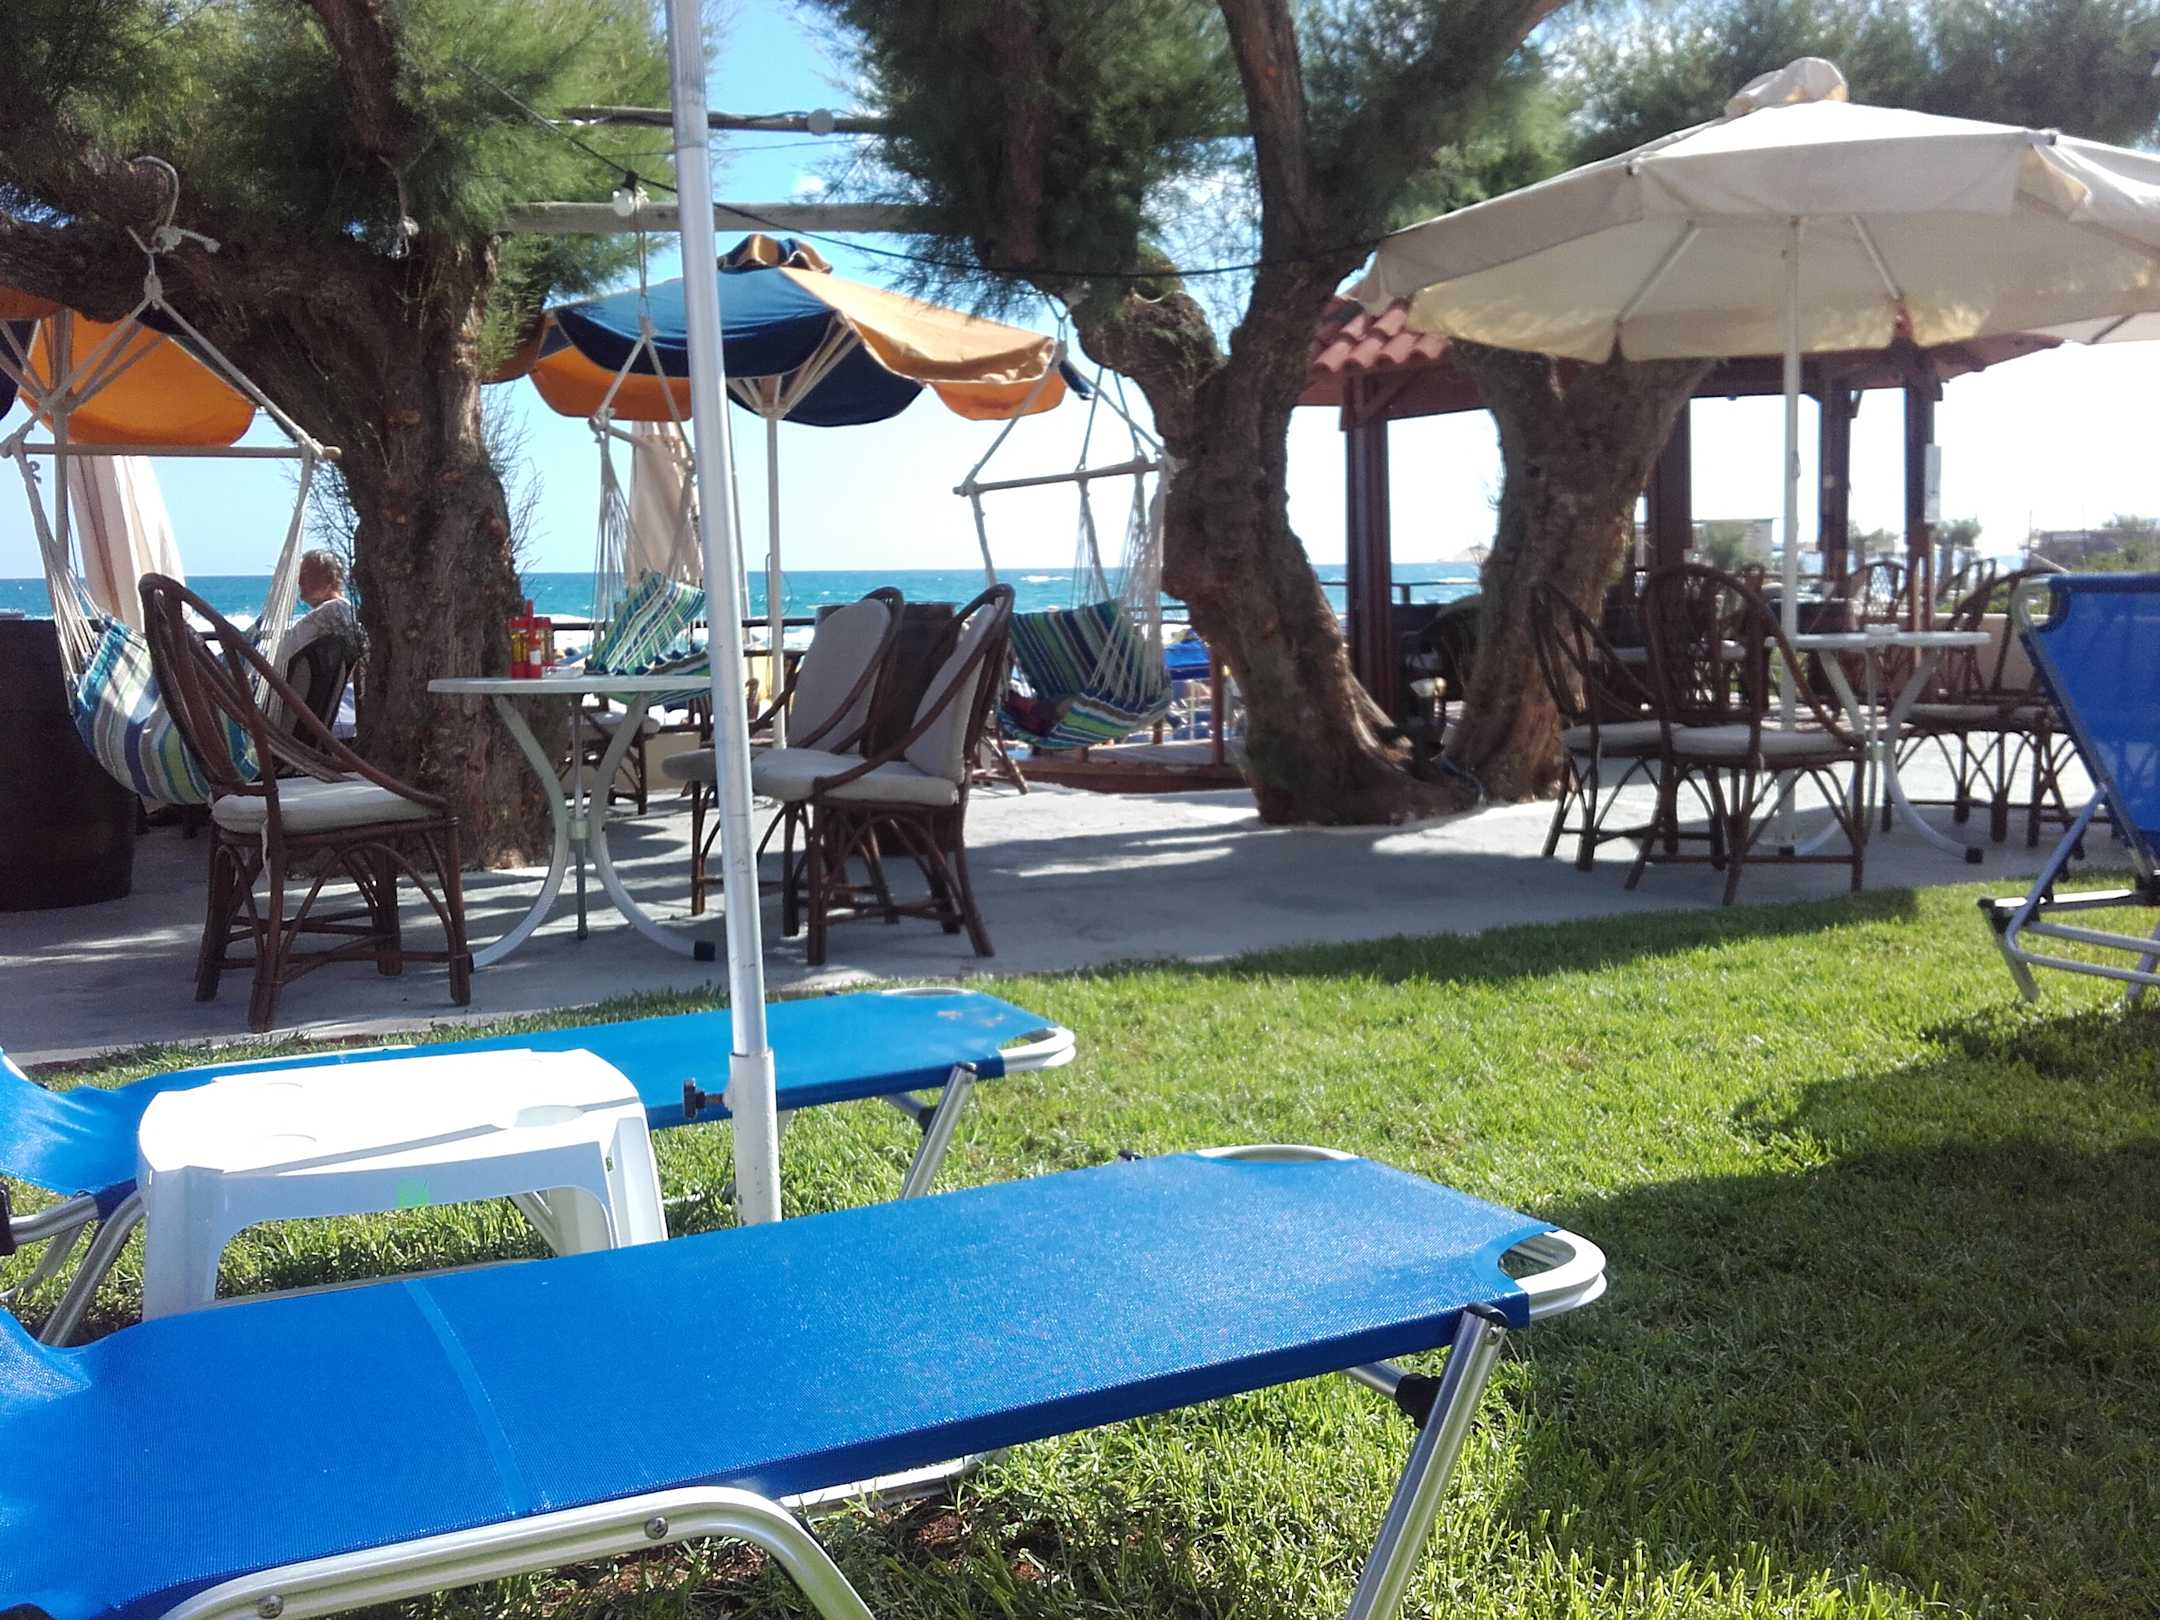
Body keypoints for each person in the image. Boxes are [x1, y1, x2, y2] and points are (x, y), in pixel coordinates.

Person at [274, 549, 368, 734]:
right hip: (318, 715)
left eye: (305, 574)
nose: (299, 581)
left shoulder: (328, 615)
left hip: (293, 718)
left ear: (329, 578)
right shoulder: (348, 615)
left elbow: (281, 661)